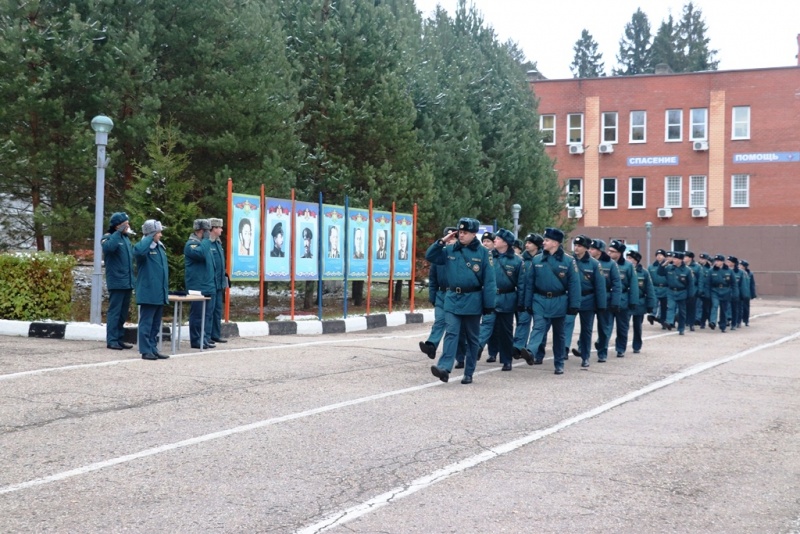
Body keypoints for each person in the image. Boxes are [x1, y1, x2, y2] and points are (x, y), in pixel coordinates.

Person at [425, 217, 496, 385]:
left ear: (473, 234)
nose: (461, 235)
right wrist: (442, 241)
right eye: (460, 232)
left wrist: (489, 305)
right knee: (451, 333)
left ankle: (469, 372)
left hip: (473, 299)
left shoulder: (484, 253)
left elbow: (490, 281)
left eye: (465, 233)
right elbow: (430, 256)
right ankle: (444, 367)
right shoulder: (450, 250)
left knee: (472, 338)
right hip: (452, 298)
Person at [520, 227, 581, 374]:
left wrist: (574, 305)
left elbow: (574, 285)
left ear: (555, 243)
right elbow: (530, 284)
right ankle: (530, 351)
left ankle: (559, 363)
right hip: (539, 299)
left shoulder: (569, 261)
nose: (543, 242)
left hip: (559, 300)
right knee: (539, 326)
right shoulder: (536, 260)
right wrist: (527, 303)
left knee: (559, 334)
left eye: (546, 240)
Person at [419, 226, 466, 366]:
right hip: (442, 294)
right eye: (448, 238)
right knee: (440, 320)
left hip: (458, 295)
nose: (450, 241)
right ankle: (431, 345)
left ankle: (461, 357)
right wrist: (432, 296)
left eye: (453, 238)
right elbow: (433, 279)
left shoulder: (462, 256)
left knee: (458, 329)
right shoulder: (439, 257)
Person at [565, 235, 607, 368]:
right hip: (571, 298)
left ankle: (585, 357)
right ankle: (563, 351)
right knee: (566, 325)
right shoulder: (569, 261)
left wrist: (601, 305)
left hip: (588, 299)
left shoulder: (594, 264)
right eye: (575, 245)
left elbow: (600, 286)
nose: (576, 248)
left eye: (580, 246)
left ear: (586, 248)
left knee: (586, 330)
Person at [484, 228, 522, 371]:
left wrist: (521, 303)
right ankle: (479, 351)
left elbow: (522, 284)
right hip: (491, 297)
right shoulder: (488, 257)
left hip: (508, 298)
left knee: (506, 332)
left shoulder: (517, 260)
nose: (495, 240)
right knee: (486, 327)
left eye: (498, 239)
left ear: (505, 243)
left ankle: (507, 360)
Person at [133, 219, 169, 360]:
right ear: (152, 233)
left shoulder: (159, 247)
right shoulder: (143, 247)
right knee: (146, 323)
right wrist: (148, 237)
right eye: (158, 232)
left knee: (155, 324)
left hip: (159, 292)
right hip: (148, 292)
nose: (160, 235)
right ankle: (145, 350)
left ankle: (153, 348)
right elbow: (139, 252)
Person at [101, 212, 135, 350]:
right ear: (117, 225)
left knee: (122, 313)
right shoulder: (108, 237)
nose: (128, 226)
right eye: (125, 224)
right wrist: (117, 233)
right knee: (114, 312)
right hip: (116, 281)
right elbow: (108, 248)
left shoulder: (126, 239)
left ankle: (119, 338)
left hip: (127, 281)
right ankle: (112, 340)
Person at [185, 219, 216, 349]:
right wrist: (206, 240)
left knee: (207, 315)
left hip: (207, 285)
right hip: (197, 286)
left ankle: (203, 338)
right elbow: (200, 254)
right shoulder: (191, 245)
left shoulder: (204, 244)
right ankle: (196, 340)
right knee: (197, 315)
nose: (209, 234)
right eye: (207, 231)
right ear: (201, 231)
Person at [589, 239, 621, 363]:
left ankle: (602, 352)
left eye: (592, 249)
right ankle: (582, 348)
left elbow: (617, 284)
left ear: (599, 251)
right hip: (591, 297)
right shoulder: (588, 262)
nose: (590, 251)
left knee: (603, 327)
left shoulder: (610, 264)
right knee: (587, 326)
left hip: (606, 298)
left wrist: (615, 302)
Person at [607, 240, 639, 357]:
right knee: (606, 326)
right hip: (609, 299)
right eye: (609, 250)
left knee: (622, 327)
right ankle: (603, 347)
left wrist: (633, 301)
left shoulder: (628, 266)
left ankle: (620, 348)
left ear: (619, 253)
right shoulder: (605, 264)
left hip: (623, 300)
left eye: (612, 251)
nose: (609, 253)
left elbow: (634, 284)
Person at [512, 233, 543, 356]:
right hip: (524, 296)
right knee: (523, 321)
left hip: (538, 296)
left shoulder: (542, 259)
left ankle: (538, 352)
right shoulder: (522, 260)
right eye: (526, 243)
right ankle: (518, 347)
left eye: (530, 243)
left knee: (539, 325)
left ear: (536, 246)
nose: (526, 245)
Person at [626, 250, 656, 354]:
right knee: (624, 325)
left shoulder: (644, 272)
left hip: (640, 302)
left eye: (630, 258)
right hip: (627, 301)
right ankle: (621, 346)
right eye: (627, 257)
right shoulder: (624, 270)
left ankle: (637, 346)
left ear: (636, 261)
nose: (628, 260)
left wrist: (651, 305)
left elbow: (649, 289)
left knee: (637, 326)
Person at [659, 251, 695, 335]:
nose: (673, 260)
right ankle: (669, 322)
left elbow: (690, 284)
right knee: (670, 307)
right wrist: (663, 265)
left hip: (682, 292)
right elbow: (660, 273)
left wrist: (690, 296)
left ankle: (681, 328)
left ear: (680, 260)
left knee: (682, 312)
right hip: (671, 291)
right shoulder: (669, 268)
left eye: (675, 258)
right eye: (673, 258)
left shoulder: (687, 270)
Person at [208, 217, 228, 344]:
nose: (221, 229)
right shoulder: (208, 243)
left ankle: (215, 334)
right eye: (219, 227)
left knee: (217, 311)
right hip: (211, 282)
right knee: (209, 311)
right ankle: (208, 335)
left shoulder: (218, 243)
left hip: (219, 282)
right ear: (213, 229)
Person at [708, 254, 736, 332]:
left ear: (722, 262)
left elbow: (734, 284)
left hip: (726, 291)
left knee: (724, 309)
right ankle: (712, 322)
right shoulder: (711, 270)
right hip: (715, 291)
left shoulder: (729, 271)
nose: (716, 262)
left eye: (718, 261)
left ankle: (723, 326)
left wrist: (734, 294)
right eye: (715, 261)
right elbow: (708, 283)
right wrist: (707, 293)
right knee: (715, 305)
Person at [647, 249, 669, 329]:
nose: (659, 257)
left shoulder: (668, 266)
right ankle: (652, 316)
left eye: (661, 255)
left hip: (665, 288)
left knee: (664, 306)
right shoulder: (651, 267)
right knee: (654, 303)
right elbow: (648, 278)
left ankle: (663, 321)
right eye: (657, 255)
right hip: (655, 287)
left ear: (664, 256)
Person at [683, 251, 702, 332]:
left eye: (685, 257)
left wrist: (700, 290)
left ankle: (691, 323)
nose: (683, 258)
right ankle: (683, 322)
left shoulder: (697, 267)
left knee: (691, 307)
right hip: (683, 289)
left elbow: (700, 280)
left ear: (690, 258)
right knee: (682, 307)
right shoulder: (681, 266)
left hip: (693, 289)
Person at [740, 259, 756, 326]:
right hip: (740, 293)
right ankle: (738, 320)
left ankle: (746, 320)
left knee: (746, 307)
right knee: (739, 307)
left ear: (744, 266)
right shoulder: (738, 272)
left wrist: (753, 294)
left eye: (740, 265)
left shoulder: (750, 274)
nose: (739, 266)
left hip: (747, 293)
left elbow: (752, 284)